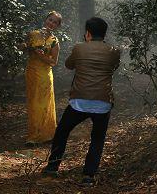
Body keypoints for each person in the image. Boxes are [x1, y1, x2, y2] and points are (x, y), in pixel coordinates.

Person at [42, 17, 120, 185]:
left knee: (62, 131)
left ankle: (52, 167)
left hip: (79, 102)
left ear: (88, 33)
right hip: (103, 102)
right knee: (97, 139)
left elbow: (69, 65)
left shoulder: (79, 48)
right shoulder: (114, 50)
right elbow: (114, 67)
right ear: (104, 33)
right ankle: (88, 176)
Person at [23, 11, 62, 144]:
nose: (51, 23)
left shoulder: (54, 41)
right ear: (46, 19)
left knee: (43, 104)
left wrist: (42, 56)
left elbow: (54, 62)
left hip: (45, 75)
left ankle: (45, 135)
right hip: (32, 73)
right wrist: (27, 46)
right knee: (33, 102)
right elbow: (21, 47)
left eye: (55, 22)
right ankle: (34, 134)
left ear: (57, 26)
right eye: (50, 20)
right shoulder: (33, 34)